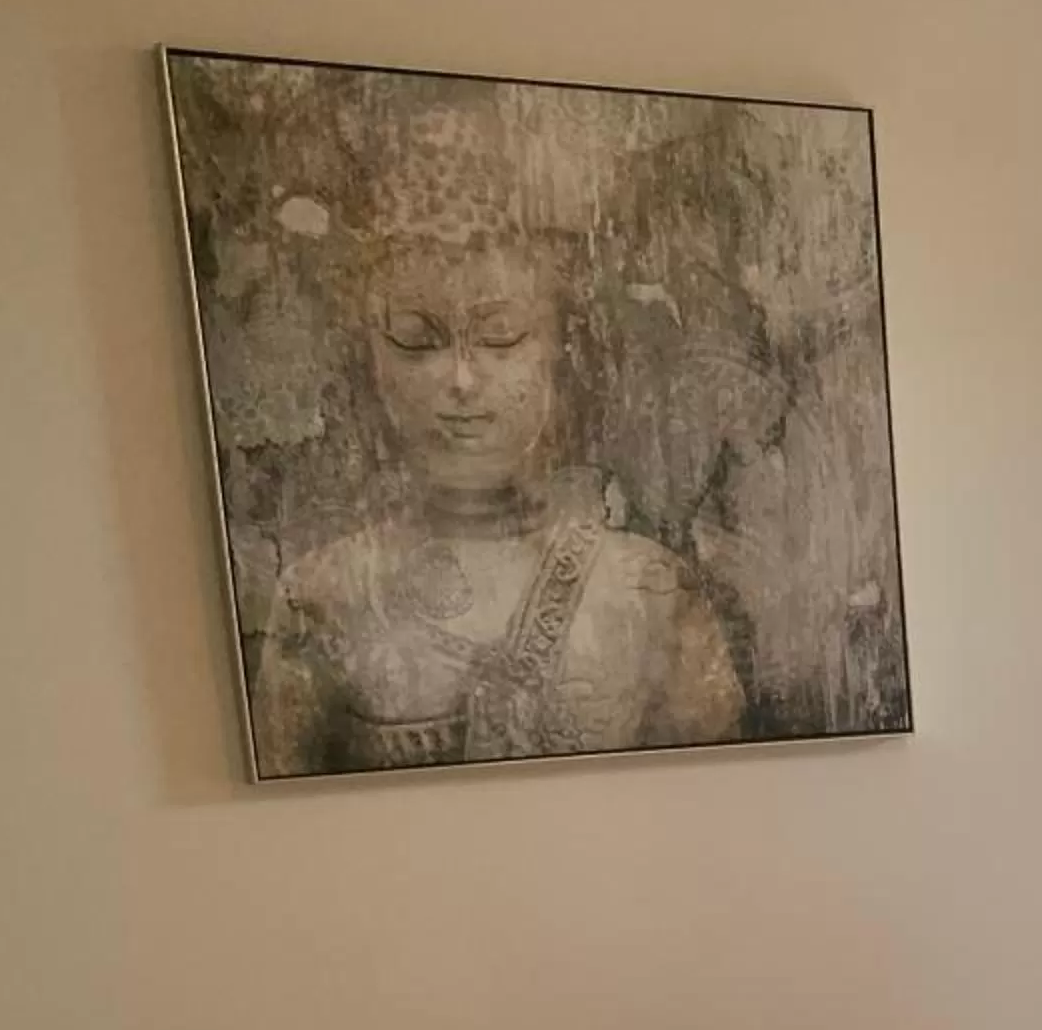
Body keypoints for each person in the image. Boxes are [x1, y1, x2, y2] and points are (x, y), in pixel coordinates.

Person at [251, 107, 743, 773]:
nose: (461, 378)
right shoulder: (323, 594)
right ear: (370, 359)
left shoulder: (647, 588)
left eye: (502, 335)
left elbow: (728, 811)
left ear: (557, 353)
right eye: (417, 340)